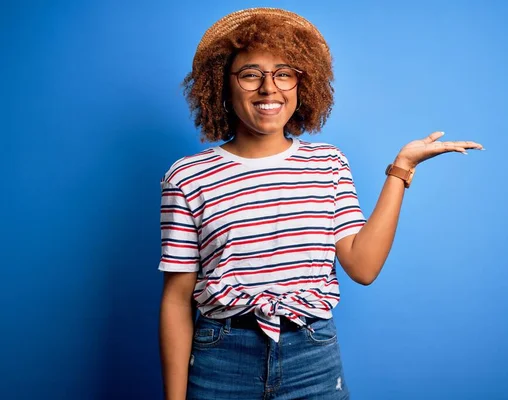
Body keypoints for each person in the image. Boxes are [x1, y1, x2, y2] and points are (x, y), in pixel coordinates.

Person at [157, 7, 484, 400]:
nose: (269, 88)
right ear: (222, 86)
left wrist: (401, 169)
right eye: (250, 74)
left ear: (301, 84)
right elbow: (176, 300)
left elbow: (362, 267)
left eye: (284, 73)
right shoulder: (188, 176)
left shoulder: (327, 163)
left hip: (311, 355)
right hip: (222, 356)